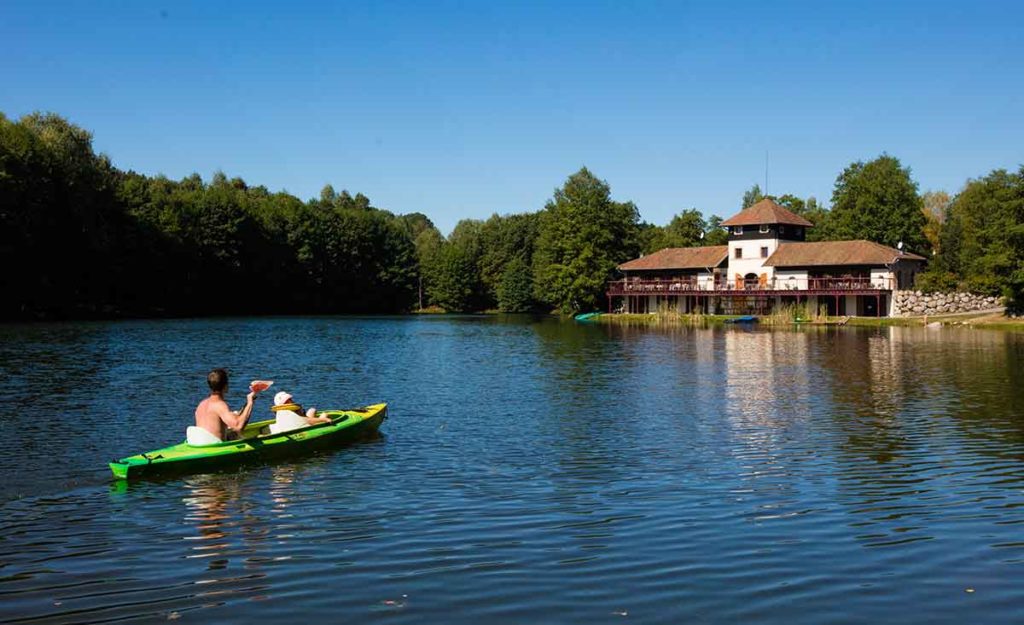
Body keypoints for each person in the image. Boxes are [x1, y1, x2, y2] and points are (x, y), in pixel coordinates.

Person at [189, 368, 260, 445]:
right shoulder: (220, 405)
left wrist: (245, 407)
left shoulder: (201, 404)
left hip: (198, 444)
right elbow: (238, 426)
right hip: (215, 447)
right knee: (238, 433)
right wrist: (250, 403)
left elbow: (216, 421)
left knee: (233, 434)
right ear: (226, 386)